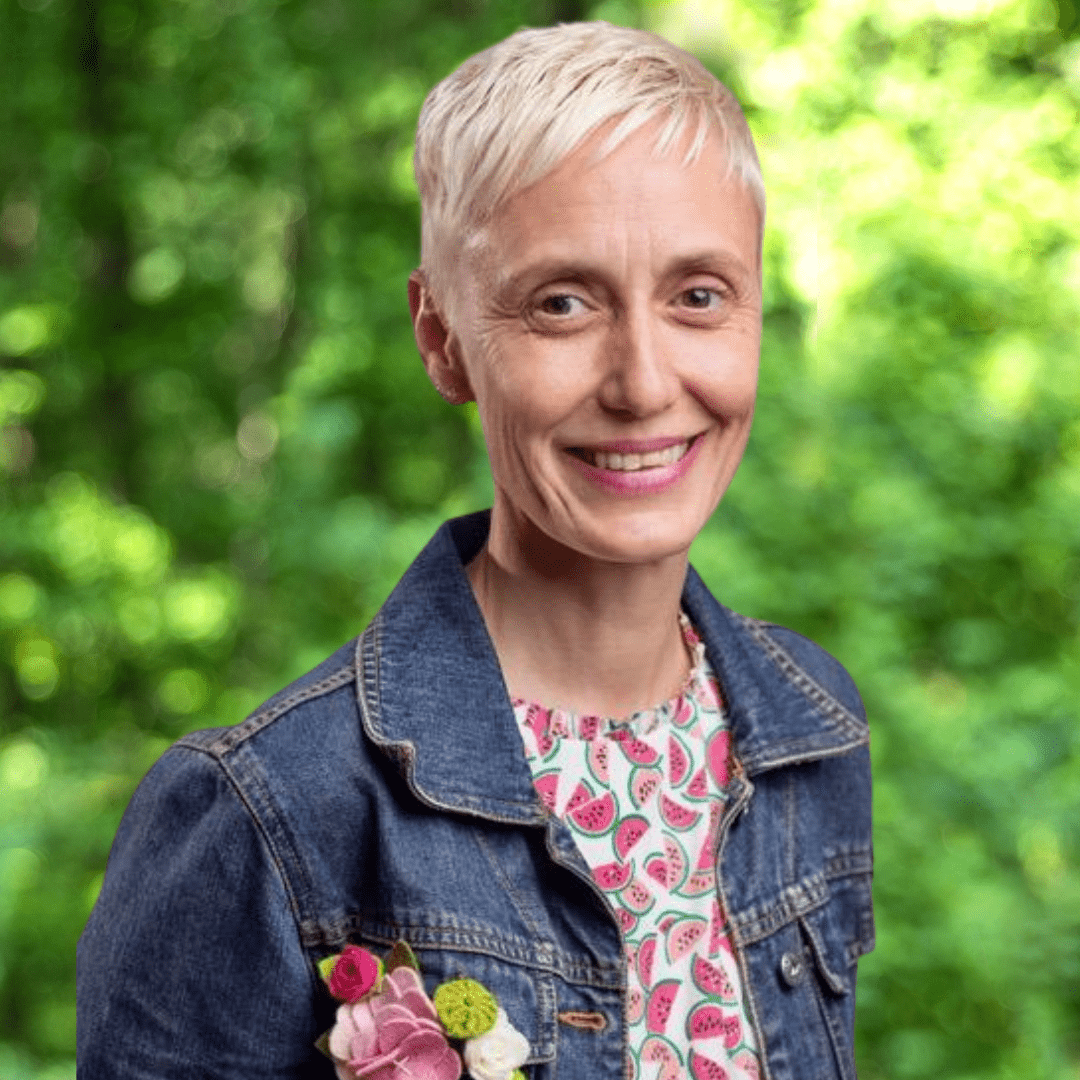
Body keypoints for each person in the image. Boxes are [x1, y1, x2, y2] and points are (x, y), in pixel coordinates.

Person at [77, 21, 873, 1080]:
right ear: (442, 336)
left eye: (697, 297)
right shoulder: (267, 815)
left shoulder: (808, 735)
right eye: (561, 303)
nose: (642, 383)